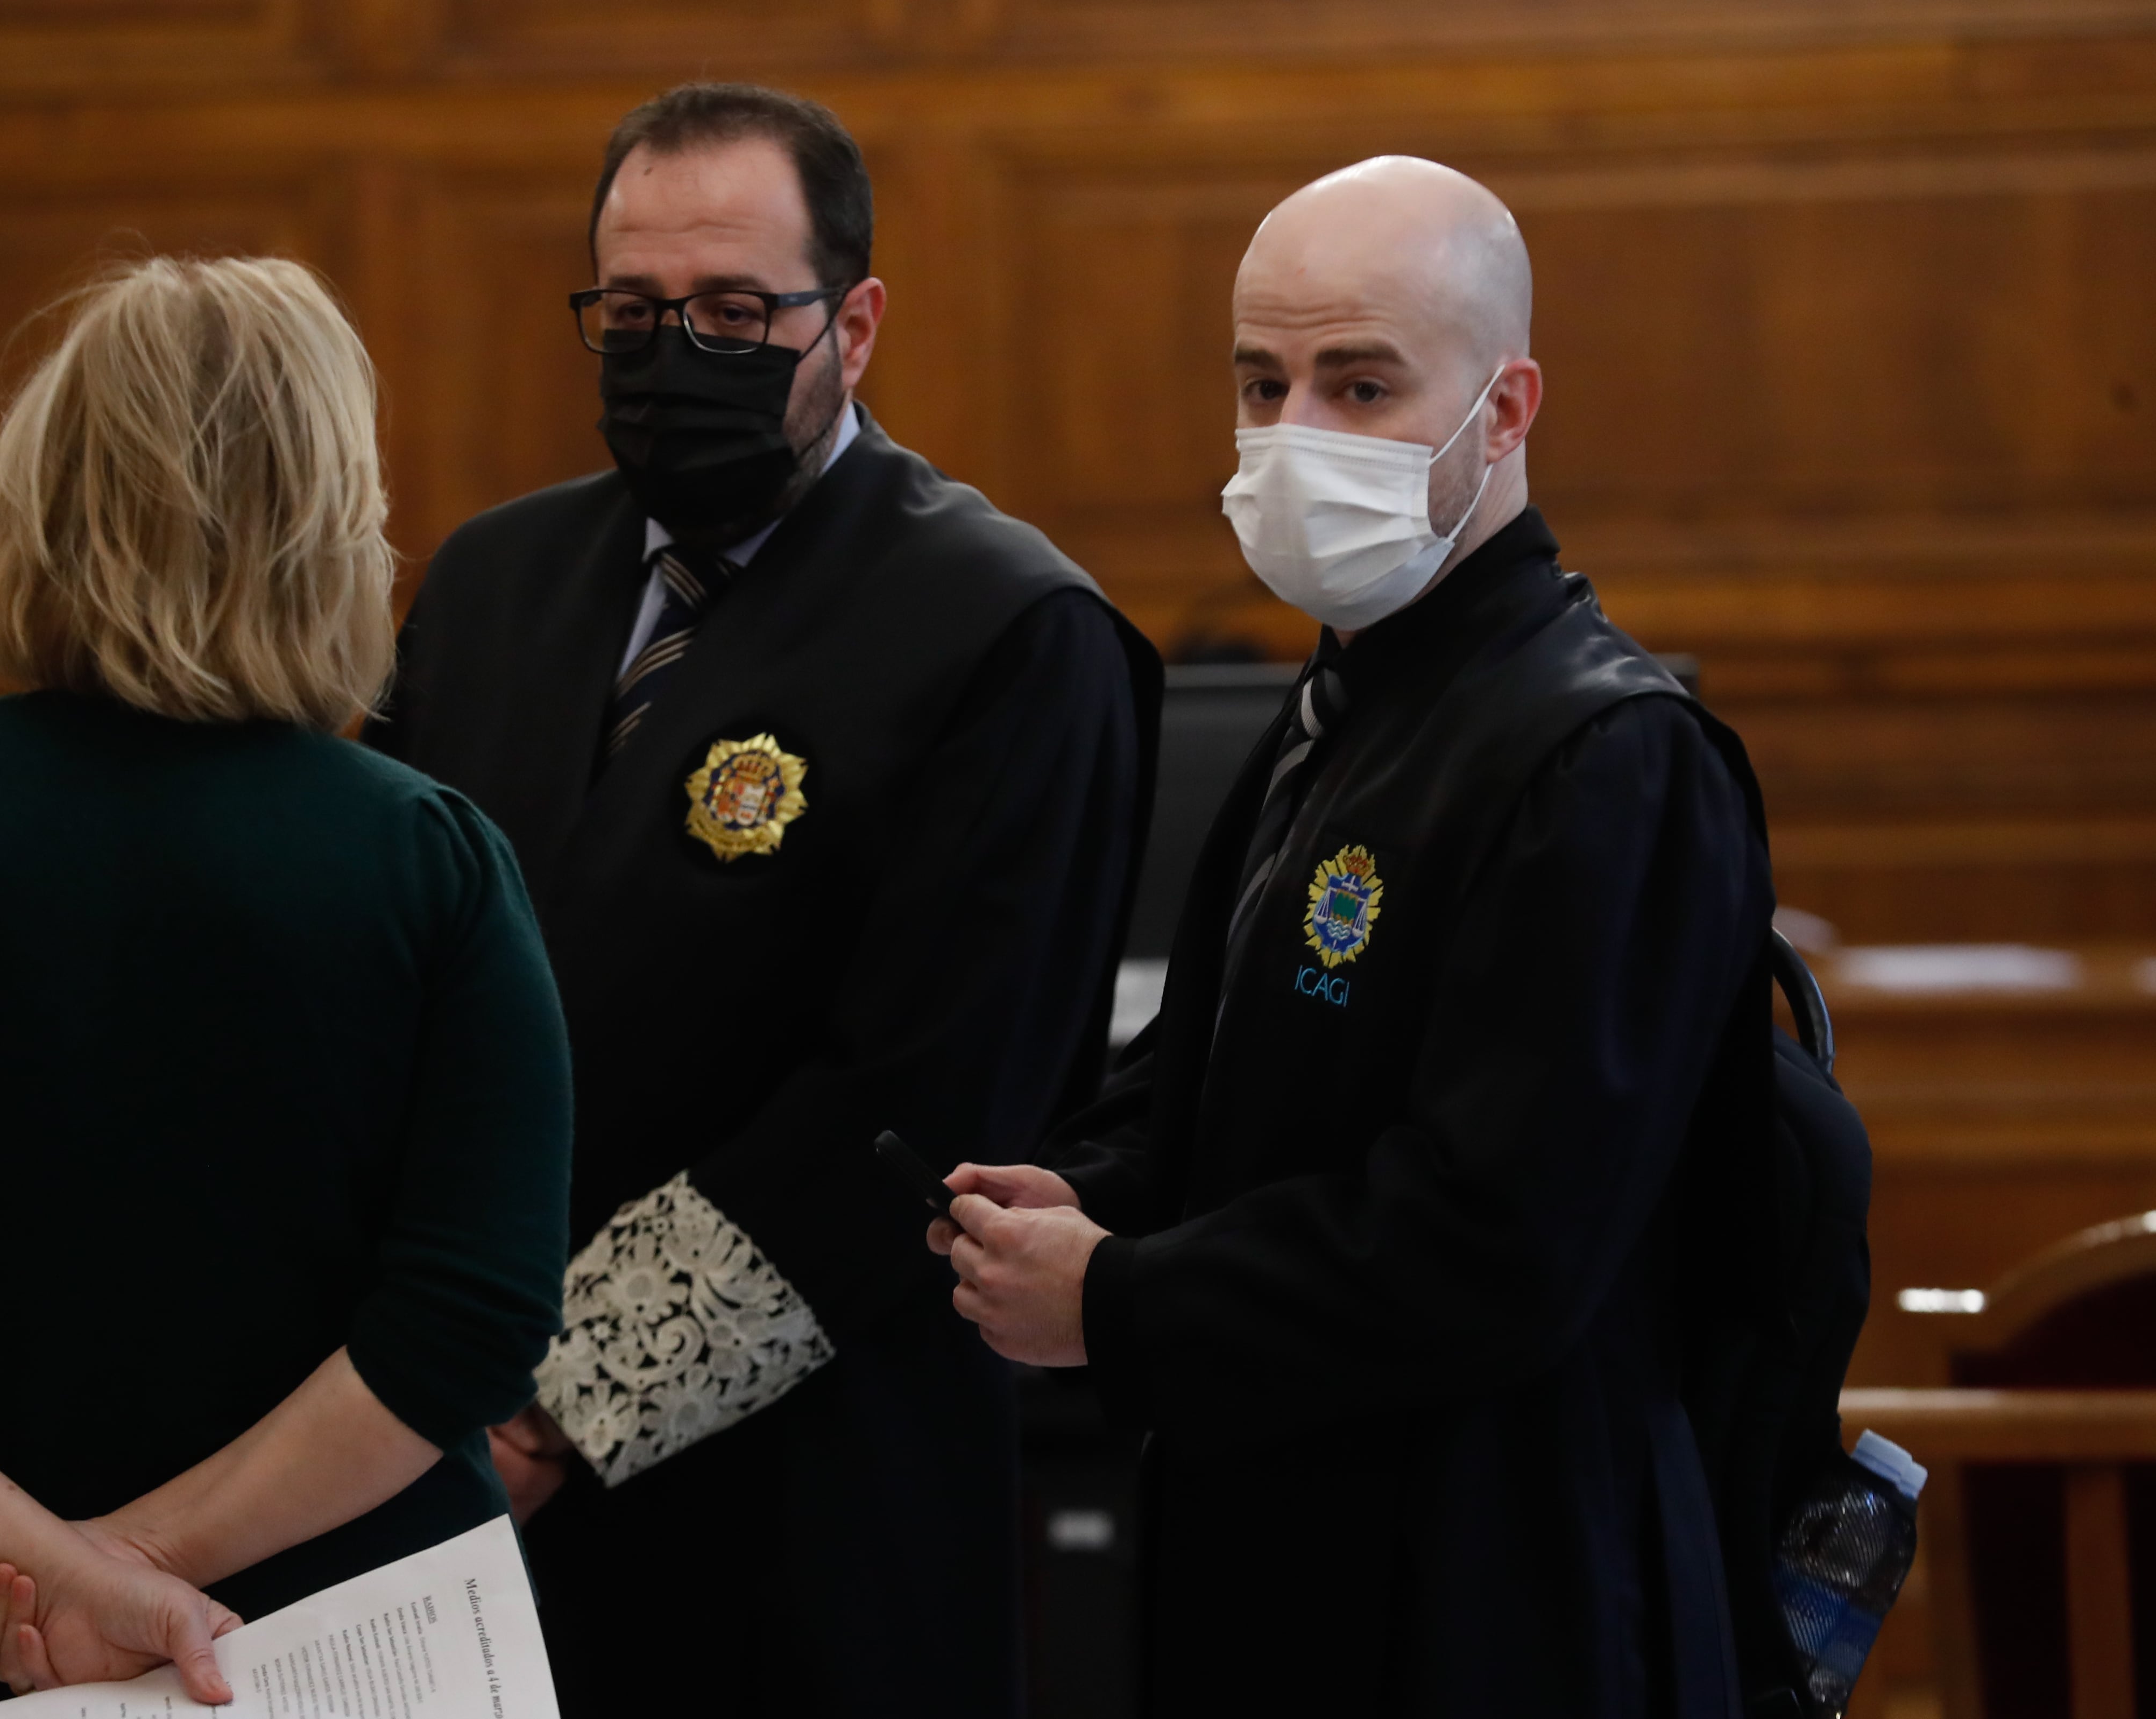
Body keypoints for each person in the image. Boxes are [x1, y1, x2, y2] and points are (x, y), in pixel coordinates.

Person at [932, 157, 1773, 1716]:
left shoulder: (1606, 756)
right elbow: (1233, 1058)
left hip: (1498, 1587)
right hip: (1282, 1547)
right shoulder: (1343, 700)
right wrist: (1087, 1188)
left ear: (1507, 409)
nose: (1297, 433)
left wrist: (1120, 1300)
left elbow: (1498, 1242)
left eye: (1362, 382)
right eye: (1265, 382)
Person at [375, 82, 1160, 1719]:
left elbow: (923, 1104)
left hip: (810, 1493)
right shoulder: (488, 584)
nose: (679, 356)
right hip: (446, 1457)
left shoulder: (1010, 631)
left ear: (855, 325)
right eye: (636, 313)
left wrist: (551, 1415)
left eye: (739, 312)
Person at [0, 257, 572, 1713]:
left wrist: (58, 1575)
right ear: (327, 525)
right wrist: (132, 1571)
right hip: (352, 1646)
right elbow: (470, 1317)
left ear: (36, 496)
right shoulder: (432, 860)